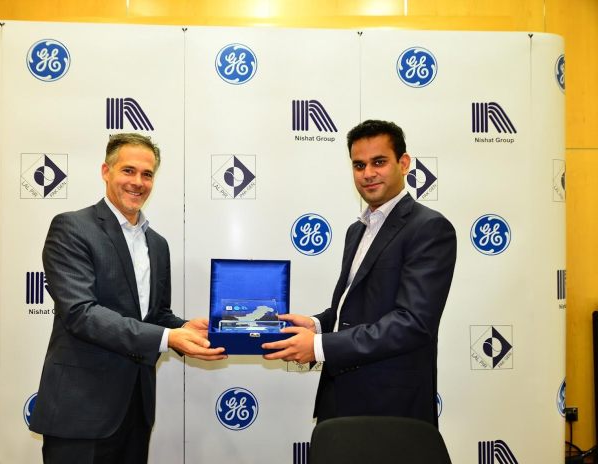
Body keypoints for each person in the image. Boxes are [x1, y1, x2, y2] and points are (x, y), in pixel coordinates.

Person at [29, 133, 226, 463]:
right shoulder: (72, 228)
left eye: (147, 174)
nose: (138, 182)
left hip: (136, 409)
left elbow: (156, 315)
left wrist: (184, 329)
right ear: (106, 171)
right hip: (81, 409)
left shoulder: (157, 244)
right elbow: (81, 313)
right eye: (128, 171)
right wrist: (168, 337)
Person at [263, 119, 456, 426]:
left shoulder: (429, 228)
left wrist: (319, 347)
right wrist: (317, 325)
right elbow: (356, 308)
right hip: (339, 398)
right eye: (359, 165)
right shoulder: (357, 230)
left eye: (379, 162)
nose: (368, 173)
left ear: (404, 163)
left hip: (391, 407)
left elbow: (413, 323)